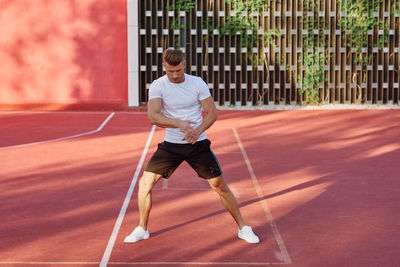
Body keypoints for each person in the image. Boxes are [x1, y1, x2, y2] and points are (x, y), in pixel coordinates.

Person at [124, 48, 259, 244]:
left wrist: (198, 130)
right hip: (171, 145)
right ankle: (142, 228)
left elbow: (212, 113)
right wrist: (179, 124)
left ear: (184, 65)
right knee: (145, 184)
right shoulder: (158, 86)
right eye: (171, 71)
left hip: (198, 143)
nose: (175, 75)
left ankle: (243, 228)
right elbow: (153, 116)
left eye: (178, 70)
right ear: (164, 67)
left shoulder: (197, 83)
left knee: (219, 185)